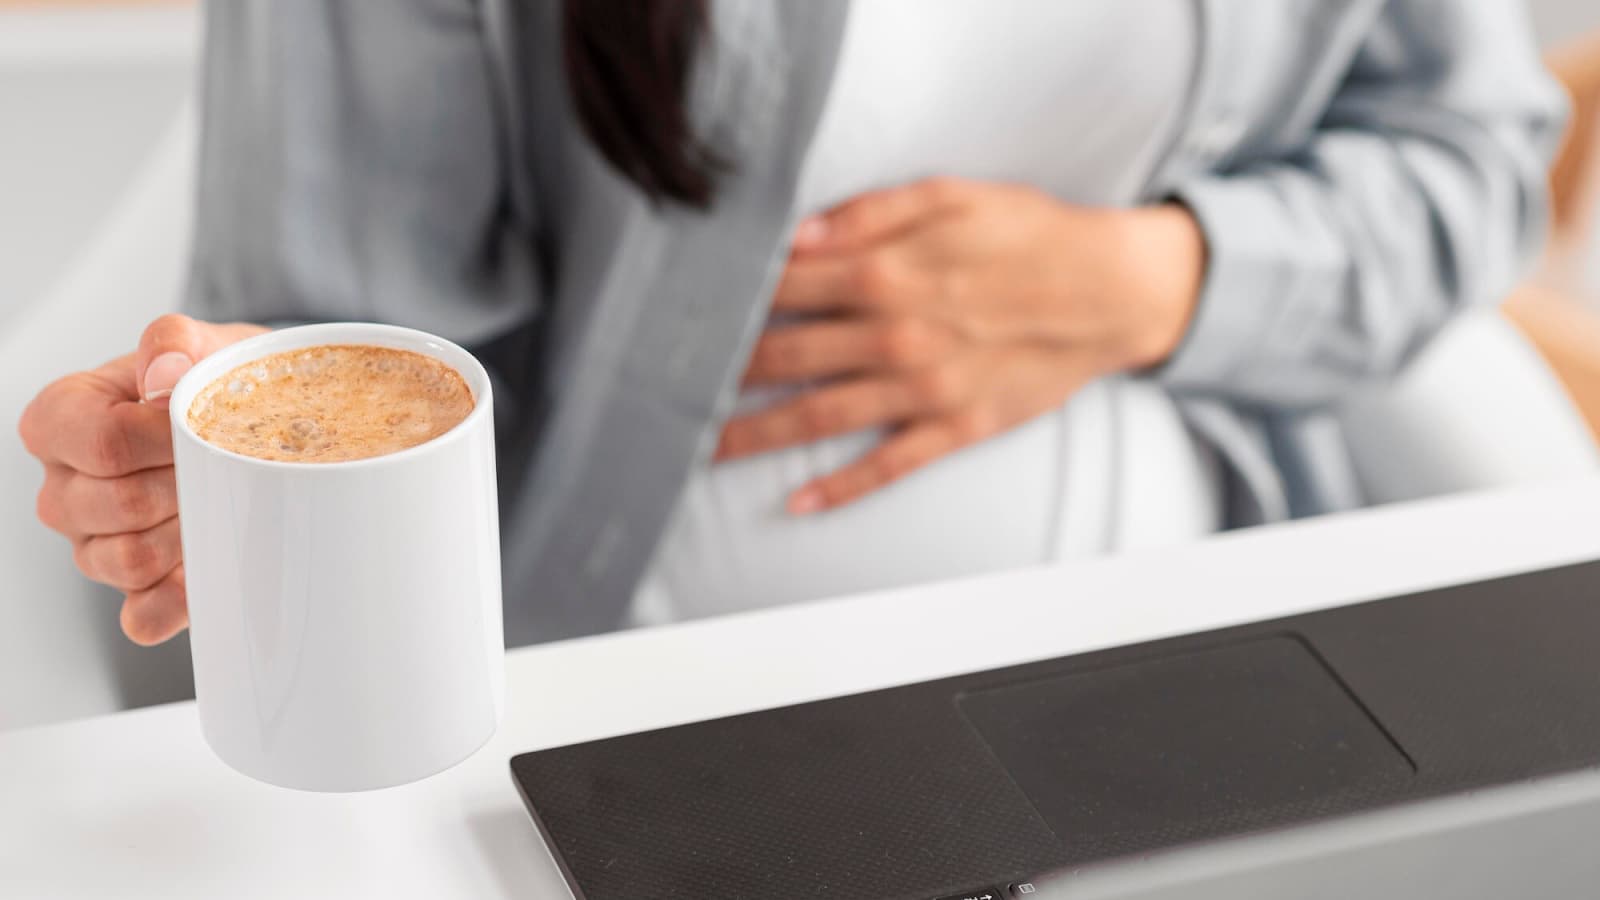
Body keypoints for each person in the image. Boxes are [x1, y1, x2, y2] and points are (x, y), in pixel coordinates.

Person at [18, 1, 1566, 647]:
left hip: (1186, 655)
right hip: (649, 711)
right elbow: (342, 329)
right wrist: (239, 445)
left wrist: (1151, 280)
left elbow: (1476, 155)